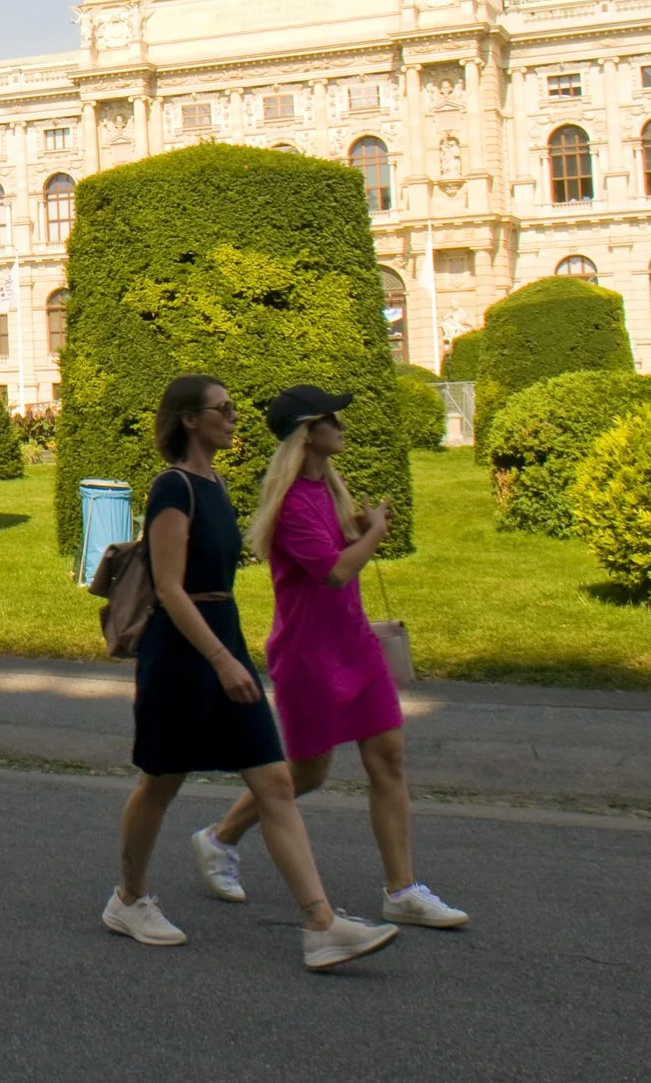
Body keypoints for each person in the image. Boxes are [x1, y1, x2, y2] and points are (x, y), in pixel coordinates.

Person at [104, 374, 399, 972]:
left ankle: (321, 924)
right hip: (184, 652)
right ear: (190, 419)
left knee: (277, 782)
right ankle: (128, 899)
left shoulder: (216, 485)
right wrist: (220, 660)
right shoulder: (174, 488)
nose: (235, 417)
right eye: (224, 409)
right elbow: (168, 587)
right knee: (161, 779)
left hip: (223, 638)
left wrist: (230, 654)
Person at [191, 386, 468, 929]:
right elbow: (335, 571)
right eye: (330, 418)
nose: (341, 425)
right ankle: (219, 837)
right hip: (309, 656)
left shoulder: (329, 489)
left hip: (355, 645)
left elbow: (339, 556)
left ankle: (402, 889)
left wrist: (359, 531)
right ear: (306, 433)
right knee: (309, 773)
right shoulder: (293, 501)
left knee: (387, 757)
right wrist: (376, 535)